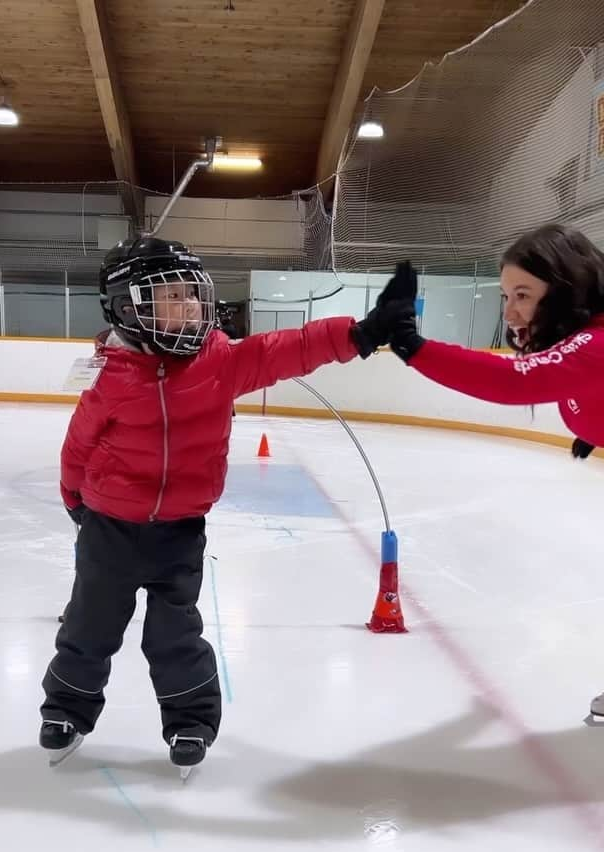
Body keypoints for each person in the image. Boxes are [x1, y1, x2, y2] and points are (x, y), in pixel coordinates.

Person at [39, 237, 415, 769]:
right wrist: (75, 498)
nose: (189, 305)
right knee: (89, 626)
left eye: (192, 294)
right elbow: (79, 442)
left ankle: (190, 723)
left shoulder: (219, 361)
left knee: (176, 634)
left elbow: (286, 349)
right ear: (128, 307)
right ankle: (66, 711)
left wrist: (357, 334)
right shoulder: (110, 374)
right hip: (109, 529)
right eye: (170, 295)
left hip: (180, 531)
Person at [379, 223, 604, 718]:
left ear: (566, 288)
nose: (511, 311)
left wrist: (415, 347)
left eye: (523, 294)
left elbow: (513, 381)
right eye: (506, 295)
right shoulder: (584, 342)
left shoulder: (595, 343)